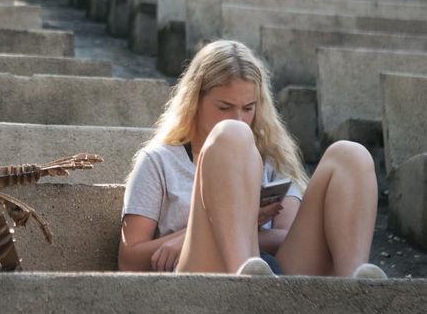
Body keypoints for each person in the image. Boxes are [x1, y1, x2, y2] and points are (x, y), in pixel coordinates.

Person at [118, 40, 386, 278]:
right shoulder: (158, 161)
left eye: (248, 108)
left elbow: (290, 237)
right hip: (201, 277)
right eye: (224, 107)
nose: (239, 119)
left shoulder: (271, 156)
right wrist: (187, 237)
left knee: (351, 154)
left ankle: (357, 285)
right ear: (194, 102)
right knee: (231, 136)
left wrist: (247, 222)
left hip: (273, 273)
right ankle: (243, 278)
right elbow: (129, 259)